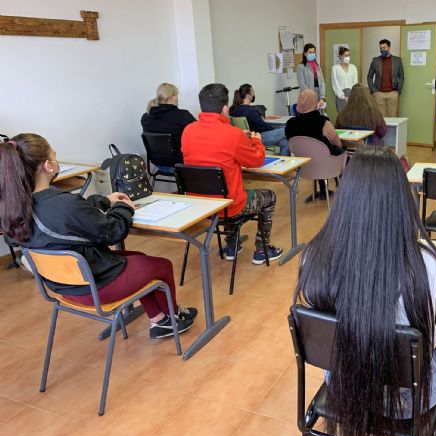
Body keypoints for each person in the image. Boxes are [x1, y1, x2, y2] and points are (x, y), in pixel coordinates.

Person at [294, 146, 436, 436]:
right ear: (401, 200)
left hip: (344, 385)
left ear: (346, 198)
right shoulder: (435, 267)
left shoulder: (313, 256)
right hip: (412, 401)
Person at [0, 134, 197, 339]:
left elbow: (71, 216)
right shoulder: (63, 204)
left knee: (138, 257)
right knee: (161, 265)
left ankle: (158, 318)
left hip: (64, 287)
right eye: (55, 156)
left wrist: (103, 201)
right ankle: (172, 318)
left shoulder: (14, 208)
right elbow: (114, 231)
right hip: (96, 287)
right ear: (49, 166)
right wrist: (123, 207)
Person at [181, 84, 283, 264]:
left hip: (202, 205)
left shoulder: (187, 131)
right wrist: (257, 141)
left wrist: (239, 138)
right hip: (230, 206)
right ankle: (262, 249)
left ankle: (231, 246)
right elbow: (256, 160)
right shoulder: (233, 135)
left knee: (225, 190)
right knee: (269, 196)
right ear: (225, 108)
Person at [286, 89, 344, 202]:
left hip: (303, 166)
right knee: (340, 153)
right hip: (325, 164)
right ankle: (342, 187)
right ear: (314, 102)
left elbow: (291, 144)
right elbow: (336, 141)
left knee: (315, 154)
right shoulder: (322, 121)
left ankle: (323, 190)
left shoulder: (290, 124)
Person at [140, 83, 196, 161]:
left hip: (156, 161)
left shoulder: (146, 117)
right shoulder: (182, 115)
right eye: (176, 95)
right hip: (179, 164)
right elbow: (198, 134)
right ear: (171, 97)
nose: (177, 98)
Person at [229, 83, 289, 155]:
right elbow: (262, 126)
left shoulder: (233, 110)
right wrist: (275, 131)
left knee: (284, 142)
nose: (254, 94)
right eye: (253, 92)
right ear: (249, 96)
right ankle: (284, 163)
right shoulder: (250, 111)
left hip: (246, 139)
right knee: (289, 129)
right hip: (258, 137)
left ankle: (284, 162)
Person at [367, 39, 404, 117]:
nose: (382, 50)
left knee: (392, 118)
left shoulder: (397, 60)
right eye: (380, 48)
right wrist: (373, 91)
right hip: (379, 94)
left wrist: (398, 91)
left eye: (384, 48)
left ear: (389, 48)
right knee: (380, 118)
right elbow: (369, 76)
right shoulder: (375, 60)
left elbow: (401, 76)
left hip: (393, 94)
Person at [297, 43, 326, 110]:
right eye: (310, 52)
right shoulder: (301, 67)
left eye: (313, 52)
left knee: (318, 117)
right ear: (305, 53)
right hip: (307, 97)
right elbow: (302, 85)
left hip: (318, 95)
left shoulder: (317, 66)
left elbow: (322, 83)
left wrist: (322, 98)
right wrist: (311, 97)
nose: (312, 54)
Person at [331, 47, 358, 112]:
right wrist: (343, 97)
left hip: (352, 96)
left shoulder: (353, 67)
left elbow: (355, 82)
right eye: (346, 55)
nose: (348, 57)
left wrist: (351, 96)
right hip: (340, 97)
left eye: (349, 55)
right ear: (340, 56)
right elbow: (335, 84)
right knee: (341, 118)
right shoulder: (335, 68)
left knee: (352, 117)